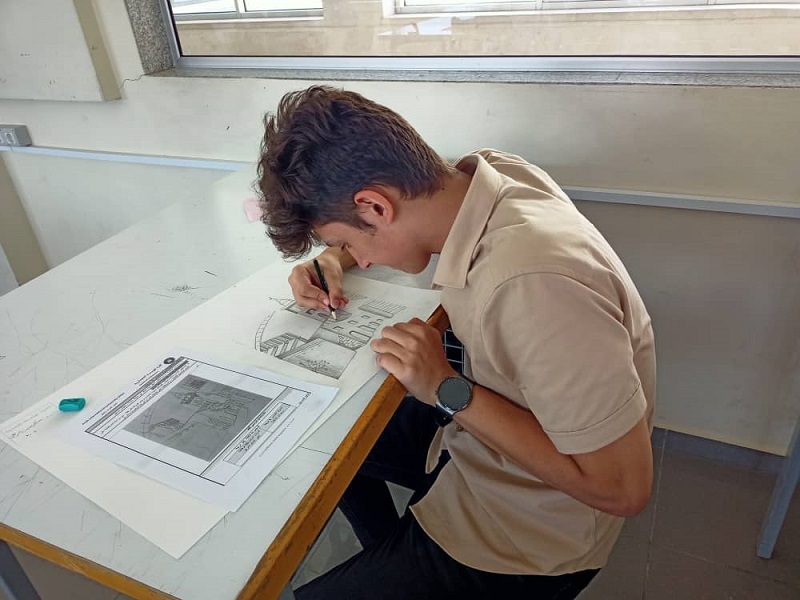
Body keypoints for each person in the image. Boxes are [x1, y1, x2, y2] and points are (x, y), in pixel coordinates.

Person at [256, 85, 656, 600]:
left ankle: (404, 559)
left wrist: (447, 389)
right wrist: (335, 258)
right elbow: (403, 210)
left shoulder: (532, 284)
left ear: (374, 207)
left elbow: (622, 490)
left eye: (349, 241)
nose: (362, 259)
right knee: (327, 434)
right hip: (479, 437)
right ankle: (391, 550)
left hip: (532, 530)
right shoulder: (489, 175)